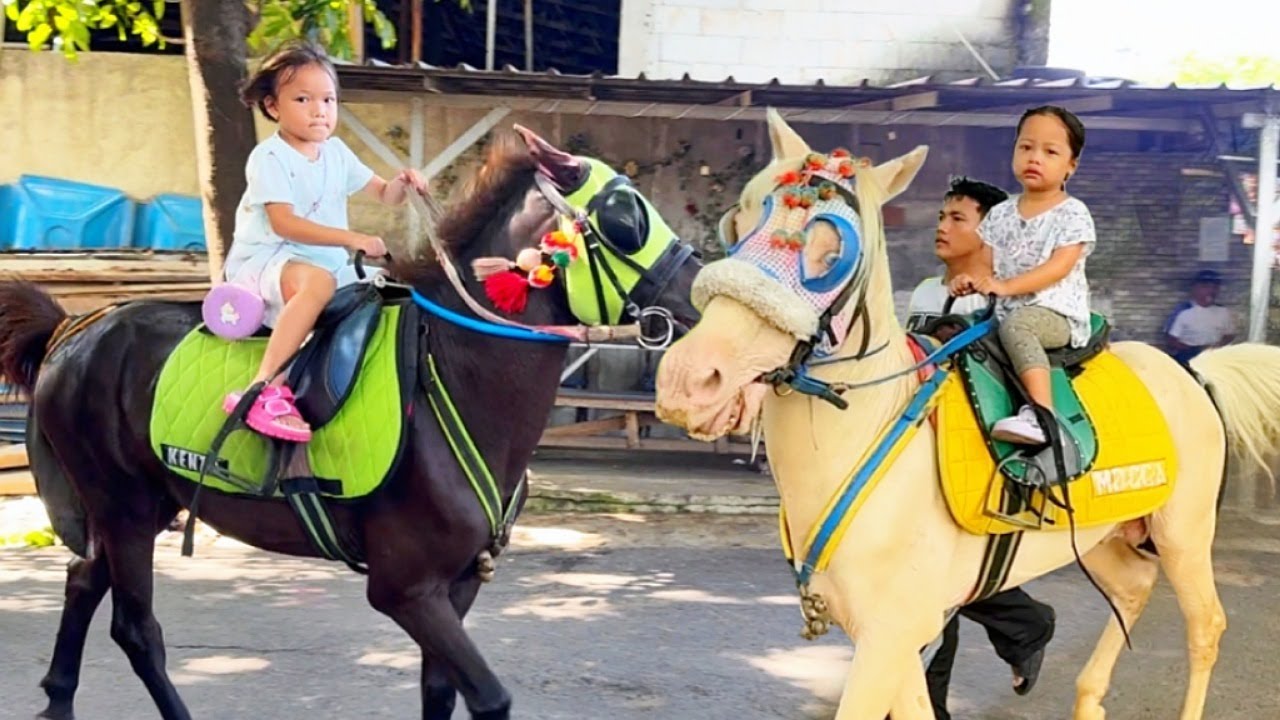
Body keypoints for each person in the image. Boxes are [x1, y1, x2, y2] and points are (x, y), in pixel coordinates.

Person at [222, 43, 429, 443]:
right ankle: (263, 388)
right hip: (266, 261)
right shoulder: (270, 157)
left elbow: (384, 194)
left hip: (323, 264)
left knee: (394, 288)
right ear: (273, 106)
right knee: (319, 283)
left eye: (328, 99)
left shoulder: (336, 152)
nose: (319, 110)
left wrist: (404, 183)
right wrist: (353, 238)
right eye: (303, 99)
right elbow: (284, 224)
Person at [908, 177, 1057, 720]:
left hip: (976, 451)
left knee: (927, 589)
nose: (942, 227)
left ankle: (924, 705)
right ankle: (1025, 626)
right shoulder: (925, 293)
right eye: (941, 217)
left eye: (957, 218)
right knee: (924, 584)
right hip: (920, 445)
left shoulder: (1008, 298)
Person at [951, 106, 1096, 445]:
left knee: (1019, 327)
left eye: (1050, 152)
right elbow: (985, 264)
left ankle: (1042, 416)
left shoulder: (1072, 213)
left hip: (1054, 313)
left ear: (1071, 166)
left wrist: (1005, 286)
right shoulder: (1001, 213)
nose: (1035, 158)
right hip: (1004, 310)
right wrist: (969, 279)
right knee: (957, 332)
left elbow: (1058, 268)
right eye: (1026, 147)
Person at [1164, 269, 1235, 364]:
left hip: (1215, 357)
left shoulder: (1223, 311)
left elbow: (1229, 335)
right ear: (1195, 288)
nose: (1211, 291)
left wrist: (1216, 347)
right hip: (1188, 357)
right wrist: (1194, 350)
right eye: (1205, 287)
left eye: (1215, 287)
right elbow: (1171, 339)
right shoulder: (1183, 310)